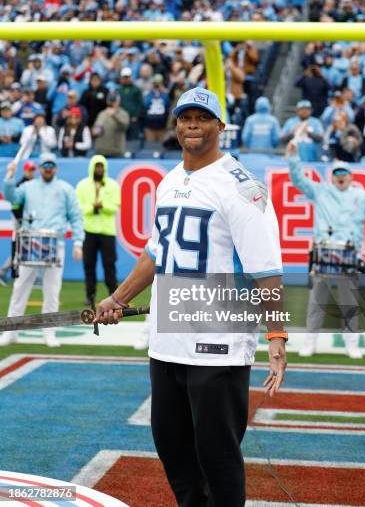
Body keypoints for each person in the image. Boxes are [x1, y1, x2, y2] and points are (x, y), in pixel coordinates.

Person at [94, 87, 287, 506]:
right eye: (185, 118)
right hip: (169, 335)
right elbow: (156, 250)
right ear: (176, 125)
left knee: (216, 456)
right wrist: (119, 298)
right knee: (172, 445)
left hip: (220, 338)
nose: (192, 126)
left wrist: (277, 334)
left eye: (202, 118)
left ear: (221, 125)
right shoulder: (170, 181)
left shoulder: (242, 187)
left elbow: (266, 270)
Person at [287, 142, 365, 359]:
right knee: (316, 300)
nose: (341, 176)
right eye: (337, 173)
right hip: (323, 255)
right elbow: (298, 179)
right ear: (332, 176)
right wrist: (293, 157)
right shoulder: (321, 190)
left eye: (344, 173)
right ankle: (310, 340)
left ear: (351, 177)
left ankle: (351, 343)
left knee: (349, 301)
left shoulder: (361, 196)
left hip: (348, 257)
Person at [1, 152, 84, 347]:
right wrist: (9, 177)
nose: (48, 169)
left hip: (55, 244)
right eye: (44, 166)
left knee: (52, 290)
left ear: (56, 168)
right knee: (20, 287)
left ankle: (49, 333)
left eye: (51, 166)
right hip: (31, 243)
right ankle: (11, 332)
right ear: (39, 168)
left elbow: (76, 217)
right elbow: (12, 196)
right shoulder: (28, 187)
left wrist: (79, 243)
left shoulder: (65, 189)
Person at [76, 155, 120, 307]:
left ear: (105, 168)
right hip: (89, 230)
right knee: (89, 264)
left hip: (107, 231)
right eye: (97, 166)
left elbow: (115, 207)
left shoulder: (113, 185)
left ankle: (114, 294)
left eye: (101, 166)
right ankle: (90, 295)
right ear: (92, 167)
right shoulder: (82, 185)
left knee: (109, 264)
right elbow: (79, 208)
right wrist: (91, 207)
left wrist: (102, 206)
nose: (99, 169)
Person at [92, 91, 130, 158]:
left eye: (114, 101)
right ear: (107, 101)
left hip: (116, 152)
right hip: (101, 151)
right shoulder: (102, 113)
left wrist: (114, 115)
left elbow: (125, 126)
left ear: (118, 101)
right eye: (110, 101)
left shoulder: (123, 113)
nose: (112, 103)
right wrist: (95, 131)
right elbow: (95, 127)